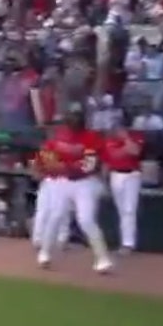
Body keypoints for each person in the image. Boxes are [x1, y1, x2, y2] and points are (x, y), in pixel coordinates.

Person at [37, 107, 114, 273]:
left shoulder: (92, 137)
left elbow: (89, 165)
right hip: (63, 182)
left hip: (85, 183)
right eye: (70, 118)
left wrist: (64, 166)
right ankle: (45, 253)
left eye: (76, 118)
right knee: (55, 215)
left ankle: (103, 259)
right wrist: (57, 166)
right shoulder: (58, 135)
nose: (73, 121)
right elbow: (46, 157)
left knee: (86, 219)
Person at [102, 118, 145, 253]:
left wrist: (126, 138)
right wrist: (104, 181)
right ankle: (125, 242)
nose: (117, 131)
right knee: (122, 211)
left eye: (120, 128)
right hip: (116, 175)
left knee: (129, 210)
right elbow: (110, 159)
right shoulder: (109, 141)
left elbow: (135, 151)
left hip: (132, 175)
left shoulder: (136, 137)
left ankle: (128, 244)